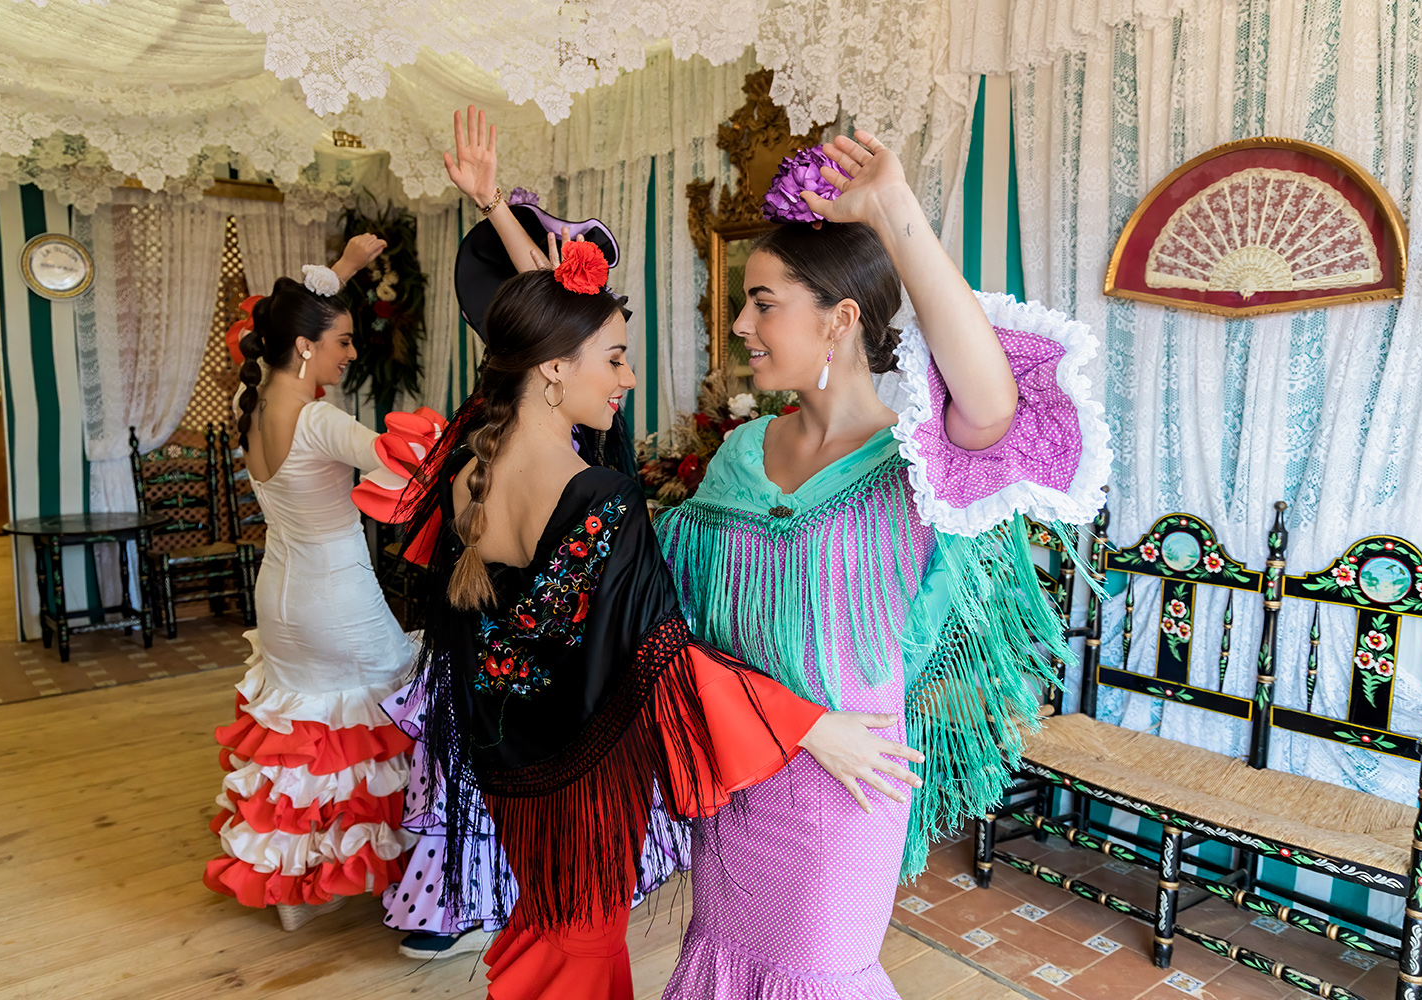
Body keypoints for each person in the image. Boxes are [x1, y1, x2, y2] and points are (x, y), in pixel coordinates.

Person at [351, 219, 924, 998]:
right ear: (553, 368)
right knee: (579, 958)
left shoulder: (468, 478)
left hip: (510, 770)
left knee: (551, 938)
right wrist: (813, 725)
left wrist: (507, 227)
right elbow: (658, 653)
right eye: (616, 359)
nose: (626, 378)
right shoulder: (597, 494)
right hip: (587, 781)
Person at [655, 133, 1110, 997]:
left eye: (762, 302)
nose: (741, 325)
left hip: (844, 792)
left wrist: (896, 210)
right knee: (724, 963)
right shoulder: (740, 451)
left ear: (840, 317)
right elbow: (685, 630)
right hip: (739, 770)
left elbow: (993, 402)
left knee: (813, 972)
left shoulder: (917, 464)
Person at [203, 234, 426, 934]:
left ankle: (301, 888)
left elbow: (300, 307)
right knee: (383, 718)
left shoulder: (255, 407)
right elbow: (405, 463)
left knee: (305, 735)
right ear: (305, 347)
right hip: (337, 595)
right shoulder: (321, 418)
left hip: (279, 599)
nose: (351, 354)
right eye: (343, 342)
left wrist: (347, 269)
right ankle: (394, 872)